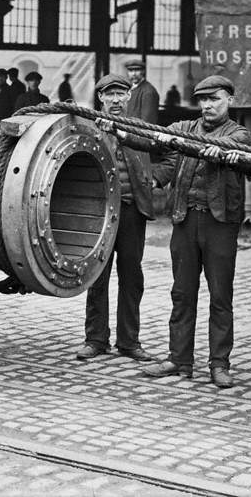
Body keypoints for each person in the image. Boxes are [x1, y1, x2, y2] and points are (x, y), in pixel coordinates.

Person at [136, 75, 251, 388]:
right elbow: (151, 137)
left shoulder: (239, 133)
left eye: (214, 99)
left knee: (220, 297)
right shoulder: (185, 128)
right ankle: (179, 360)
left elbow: (236, 145)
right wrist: (120, 131)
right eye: (203, 100)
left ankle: (219, 364)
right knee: (182, 294)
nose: (207, 105)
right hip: (185, 221)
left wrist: (206, 148)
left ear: (230, 99)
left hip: (220, 226)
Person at [77, 74, 157, 363]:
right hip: (99, 215)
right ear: (100, 98)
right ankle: (95, 339)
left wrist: (155, 180)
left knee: (132, 277)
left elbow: (169, 155)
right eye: (109, 95)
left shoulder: (140, 127)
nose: (115, 100)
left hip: (132, 211)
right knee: (97, 277)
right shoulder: (87, 128)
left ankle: (129, 341)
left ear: (128, 97)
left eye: (121, 94)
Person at [124, 58, 160, 124]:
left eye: (137, 70)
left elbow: (148, 122)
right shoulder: (130, 88)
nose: (134, 74)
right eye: (131, 70)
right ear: (127, 73)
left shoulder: (148, 92)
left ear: (143, 71)